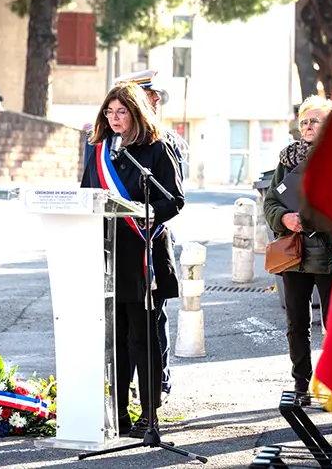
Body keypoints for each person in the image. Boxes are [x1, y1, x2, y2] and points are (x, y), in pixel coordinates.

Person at [80, 81, 185, 438]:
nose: (113, 118)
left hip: (144, 253)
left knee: (142, 339)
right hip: (109, 255)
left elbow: (175, 199)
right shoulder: (96, 149)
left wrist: (147, 212)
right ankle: (118, 414)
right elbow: (85, 195)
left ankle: (149, 414)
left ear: (136, 112)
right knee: (116, 341)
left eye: (121, 112)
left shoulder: (155, 148)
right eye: (109, 112)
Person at [262, 94, 332, 404]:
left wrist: (314, 217)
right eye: (304, 121)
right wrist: (284, 217)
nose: (308, 126)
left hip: (331, 255)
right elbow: (270, 202)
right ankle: (300, 385)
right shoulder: (286, 160)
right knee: (296, 324)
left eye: (315, 121)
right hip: (294, 255)